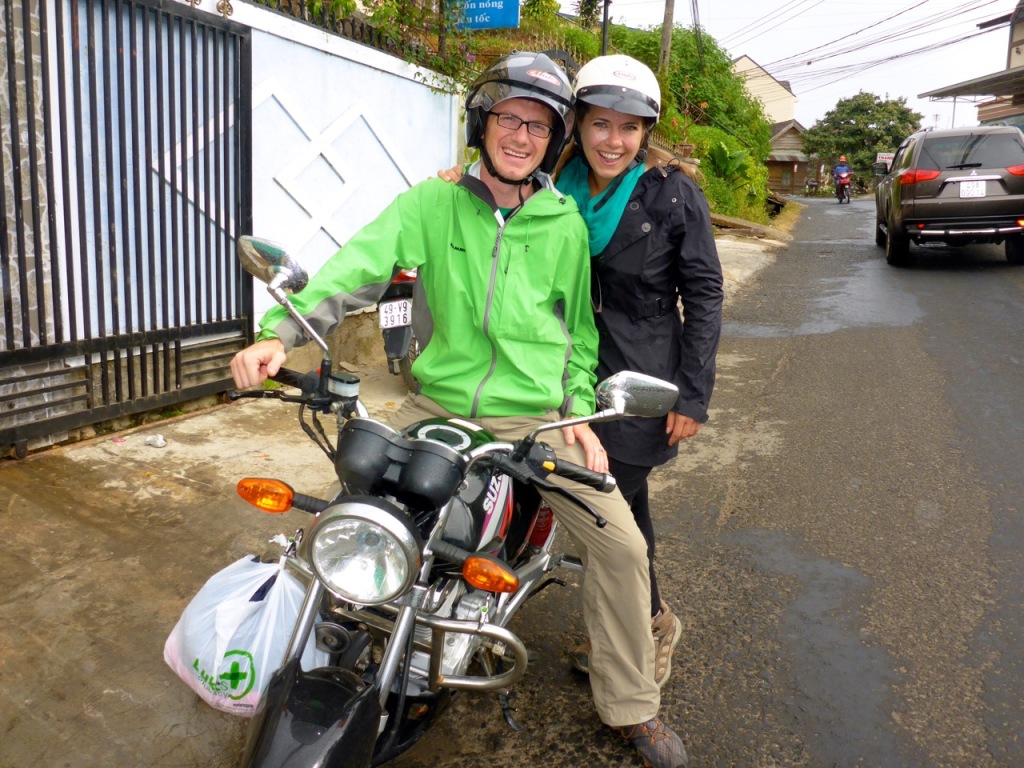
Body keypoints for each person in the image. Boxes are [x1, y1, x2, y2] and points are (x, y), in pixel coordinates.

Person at [230, 52, 688, 768]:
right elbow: (358, 266)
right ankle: (322, 646)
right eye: (509, 117)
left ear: (553, 141)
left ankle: (630, 706)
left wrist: (573, 409)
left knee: (623, 546)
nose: (521, 134)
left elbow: (578, 334)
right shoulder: (432, 202)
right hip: (434, 403)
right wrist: (277, 337)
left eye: (539, 125)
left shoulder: (564, 221)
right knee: (353, 514)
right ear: (483, 123)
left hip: (535, 417)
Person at [441, 54, 723, 696]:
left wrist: (693, 397)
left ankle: (645, 627)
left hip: (639, 373)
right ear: (579, 124)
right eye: (600, 124)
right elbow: (494, 191)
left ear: (645, 133)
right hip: (557, 361)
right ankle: (485, 610)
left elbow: (704, 295)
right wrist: (457, 180)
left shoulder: (671, 192)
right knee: (528, 483)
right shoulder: (556, 174)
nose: (613, 141)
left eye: (628, 129)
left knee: (610, 507)